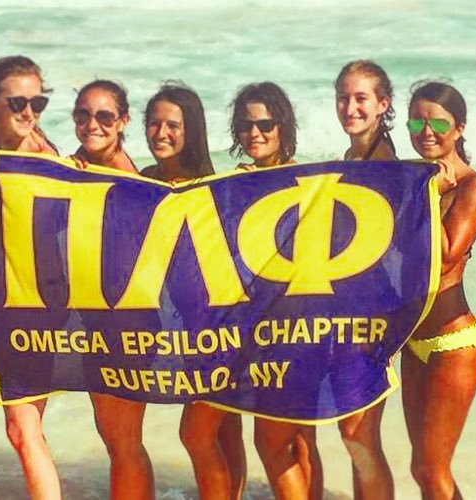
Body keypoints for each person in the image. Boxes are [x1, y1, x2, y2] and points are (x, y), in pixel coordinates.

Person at [136, 82, 246, 500]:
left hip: (222, 333)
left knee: (196, 435)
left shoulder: (216, 187)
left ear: (192, 130)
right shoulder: (143, 181)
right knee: (224, 432)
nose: (161, 133)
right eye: (154, 123)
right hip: (180, 334)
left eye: (173, 125)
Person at [0, 55, 66, 500]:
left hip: (40, 310)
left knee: (22, 428)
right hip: (6, 306)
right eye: (18, 103)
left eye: (38, 103)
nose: (29, 112)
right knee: (23, 428)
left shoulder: (44, 159)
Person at [399, 81, 476, 500]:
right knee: (423, 470)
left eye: (438, 123)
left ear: (459, 129)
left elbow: (447, 256)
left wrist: (427, 193)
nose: (426, 132)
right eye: (416, 122)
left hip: (454, 342)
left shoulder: (473, 186)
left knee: (431, 468)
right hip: (412, 341)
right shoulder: (410, 182)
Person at [221, 81, 314, 499]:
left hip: (293, 332)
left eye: (265, 124)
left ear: (283, 126)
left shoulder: (308, 181)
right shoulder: (233, 183)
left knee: (275, 444)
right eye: (245, 125)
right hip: (252, 331)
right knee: (293, 443)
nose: (254, 133)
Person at [323, 59, 398, 500]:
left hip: (372, 318)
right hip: (346, 315)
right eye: (343, 98)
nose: (350, 108)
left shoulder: (385, 163)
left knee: (358, 433)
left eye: (361, 98)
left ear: (382, 104)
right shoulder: (351, 158)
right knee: (354, 434)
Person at [70, 79, 138, 173]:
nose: (91, 126)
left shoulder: (125, 175)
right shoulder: (85, 155)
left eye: (104, 117)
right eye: (83, 115)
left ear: (123, 122)